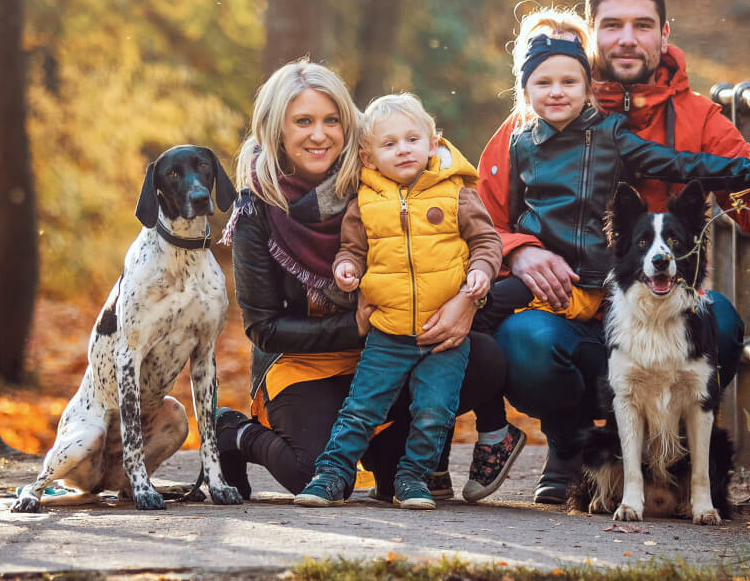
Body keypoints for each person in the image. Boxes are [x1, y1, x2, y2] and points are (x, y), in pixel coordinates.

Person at [477, 0, 750, 505]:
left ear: (664, 35)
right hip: (568, 310)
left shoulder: (695, 116)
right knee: (524, 341)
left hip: (659, 312)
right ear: (591, 35)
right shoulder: (542, 111)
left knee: (718, 320)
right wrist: (520, 251)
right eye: (612, 25)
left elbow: (742, 177)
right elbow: (482, 216)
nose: (627, 39)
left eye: (642, 25)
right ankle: (569, 448)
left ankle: (667, 453)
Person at [217, 60, 523, 504]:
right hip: (303, 362)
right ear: (275, 129)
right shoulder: (256, 207)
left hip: (387, 350)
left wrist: (466, 303)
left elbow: (451, 253)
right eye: (303, 122)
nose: (319, 135)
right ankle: (232, 431)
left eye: (331, 120)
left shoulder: (380, 178)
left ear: (350, 126)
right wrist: (356, 326)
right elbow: (263, 328)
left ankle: (394, 454)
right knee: (314, 474)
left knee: (484, 357)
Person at [292, 94, 503, 510]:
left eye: (412, 139)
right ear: (368, 157)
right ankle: (331, 474)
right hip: (387, 332)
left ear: (432, 143)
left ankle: (413, 479)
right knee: (362, 408)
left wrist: (481, 271)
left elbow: (486, 241)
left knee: (434, 411)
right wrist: (346, 268)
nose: (403, 149)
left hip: (443, 334)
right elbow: (352, 249)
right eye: (389, 144)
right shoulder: (365, 201)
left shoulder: (457, 193)